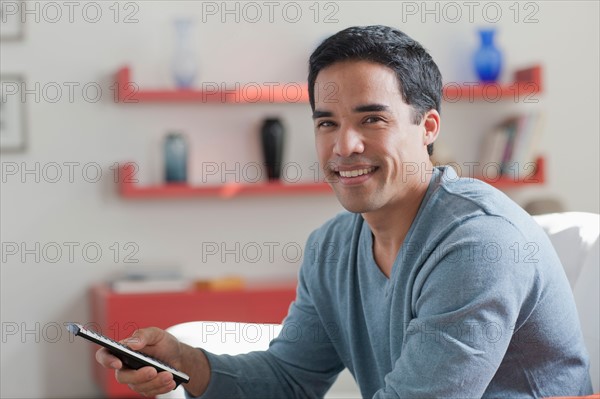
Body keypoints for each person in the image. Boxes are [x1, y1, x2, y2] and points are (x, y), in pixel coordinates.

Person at [96, 25, 593, 398]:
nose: (344, 145)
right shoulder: (332, 247)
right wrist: (185, 362)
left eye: (371, 119)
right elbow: (290, 377)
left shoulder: (479, 244)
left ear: (428, 127)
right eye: (326, 123)